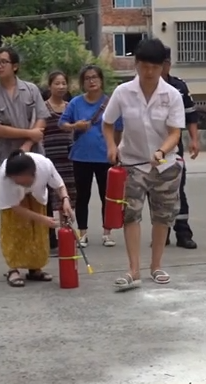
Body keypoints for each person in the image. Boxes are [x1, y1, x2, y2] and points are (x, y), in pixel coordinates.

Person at [102, 38, 186, 291]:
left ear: (163, 67)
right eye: (144, 66)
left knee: (162, 216)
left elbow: (175, 133)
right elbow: (108, 123)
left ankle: (156, 266)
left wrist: (161, 150)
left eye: (155, 67)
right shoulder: (123, 92)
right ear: (136, 65)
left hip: (165, 166)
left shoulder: (172, 95)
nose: (149, 72)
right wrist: (111, 146)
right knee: (131, 215)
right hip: (132, 163)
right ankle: (133, 269)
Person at [59, 65, 119, 248]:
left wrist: (116, 148)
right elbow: (62, 123)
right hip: (81, 157)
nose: (92, 81)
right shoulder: (76, 103)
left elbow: (119, 127)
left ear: (101, 80)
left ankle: (107, 233)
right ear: (82, 82)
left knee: (106, 196)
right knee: (82, 196)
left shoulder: (110, 103)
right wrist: (75, 126)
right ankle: (83, 232)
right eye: (87, 78)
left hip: (104, 157)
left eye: (95, 77)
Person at [0, 150, 74, 287]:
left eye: (23, 181)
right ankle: (13, 269)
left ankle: (35, 268)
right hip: (13, 203)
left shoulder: (44, 165)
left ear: (33, 174)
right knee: (14, 232)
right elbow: (15, 207)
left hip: (36, 197)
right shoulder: (4, 177)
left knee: (37, 232)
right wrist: (42, 219)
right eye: (16, 181)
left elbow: (59, 185)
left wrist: (65, 200)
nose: (19, 183)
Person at [160, 46, 200, 250]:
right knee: (156, 191)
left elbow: (191, 115)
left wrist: (194, 139)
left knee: (177, 188)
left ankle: (183, 232)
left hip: (174, 146)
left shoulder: (179, 87)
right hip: (150, 147)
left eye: (165, 62)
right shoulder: (141, 88)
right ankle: (162, 233)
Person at [0, 46, 50, 165]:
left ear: (15, 66)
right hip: (6, 155)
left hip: (33, 152)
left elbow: (42, 117)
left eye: (3, 62)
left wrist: (27, 144)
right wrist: (29, 133)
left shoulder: (31, 90)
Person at [41, 71, 76, 256]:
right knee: (50, 198)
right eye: (57, 83)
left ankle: (67, 236)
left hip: (68, 158)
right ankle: (51, 239)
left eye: (64, 83)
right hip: (49, 158)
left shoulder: (71, 107)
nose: (61, 86)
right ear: (50, 86)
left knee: (67, 196)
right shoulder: (43, 108)